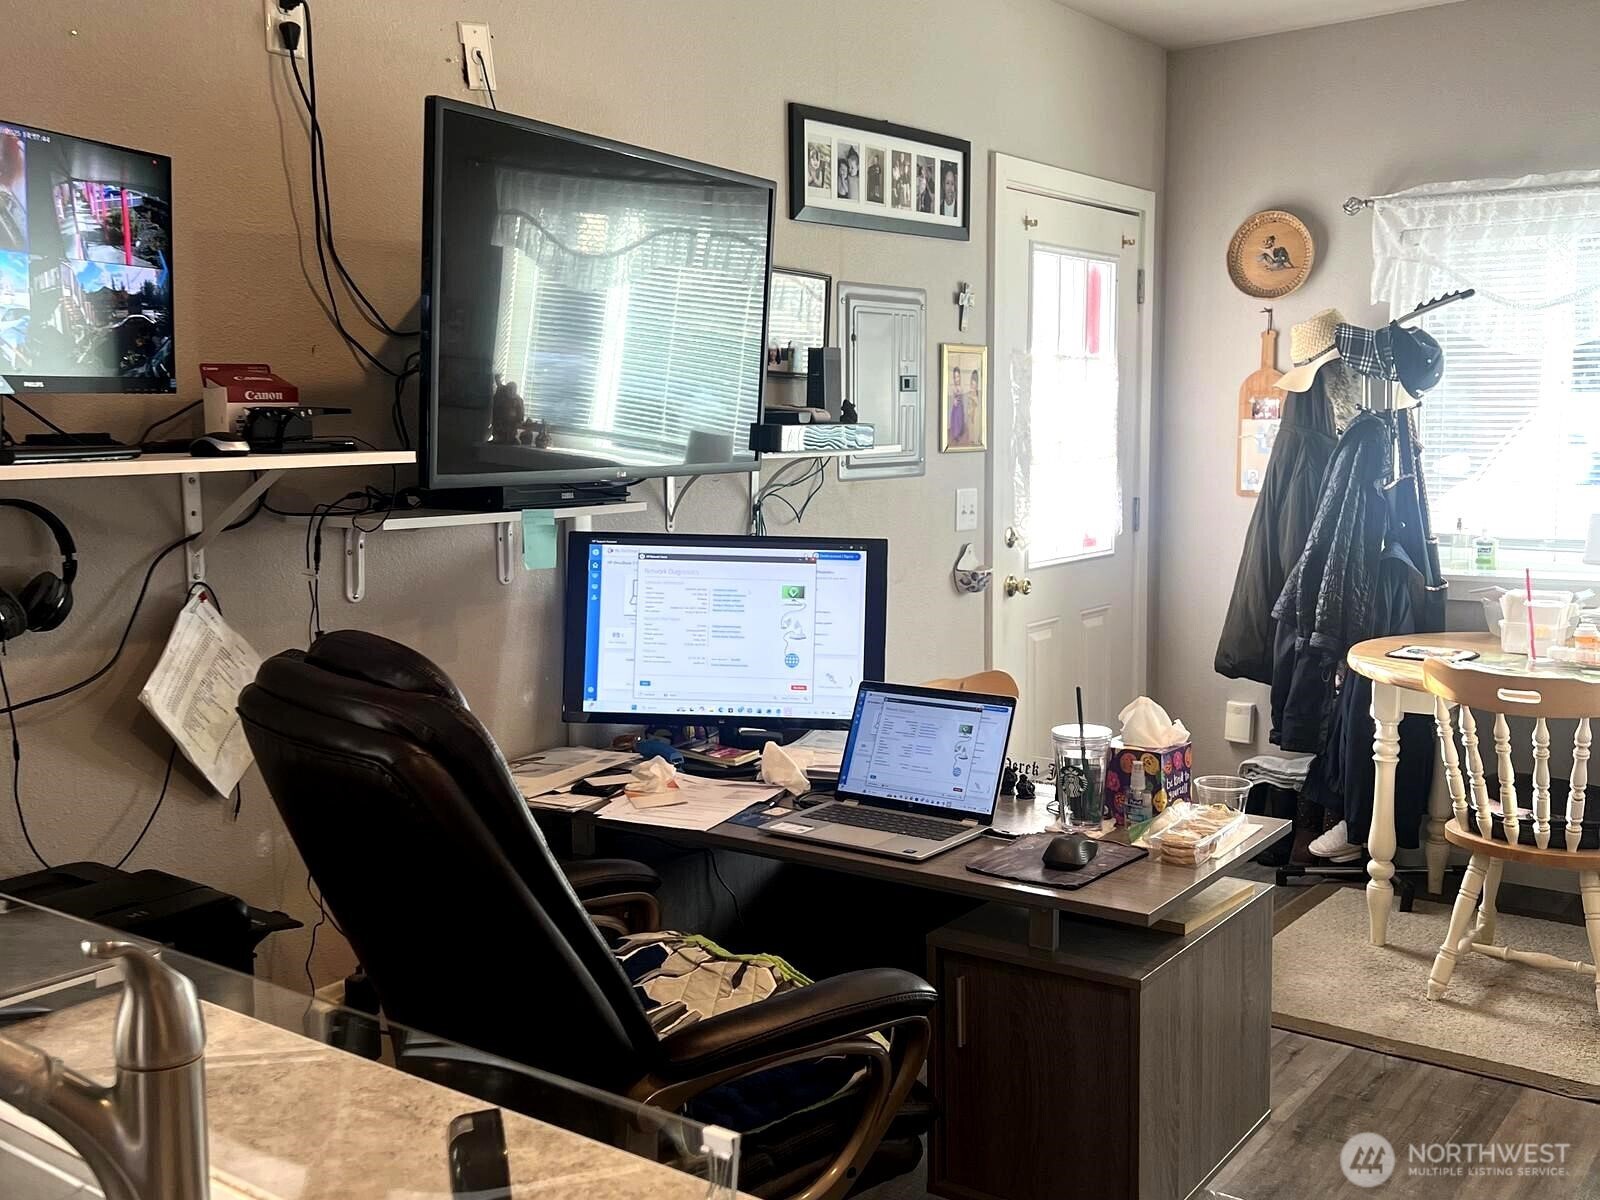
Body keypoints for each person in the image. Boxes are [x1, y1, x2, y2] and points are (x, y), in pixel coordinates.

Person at [947, 366, 967, 445]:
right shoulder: (953, 387)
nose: (957, 379)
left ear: (960, 377)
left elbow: (962, 395)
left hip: (960, 406)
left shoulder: (961, 387)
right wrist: (954, 400)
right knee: (955, 419)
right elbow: (953, 397)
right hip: (955, 407)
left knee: (960, 419)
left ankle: (960, 433)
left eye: (958, 377)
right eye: (955, 377)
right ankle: (956, 435)